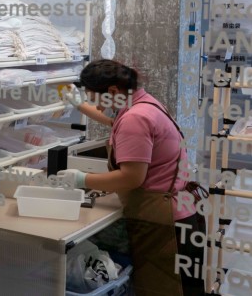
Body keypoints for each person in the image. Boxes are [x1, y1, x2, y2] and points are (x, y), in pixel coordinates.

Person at [57, 59, 205, 296]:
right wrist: (78, 103)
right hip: (182, 213)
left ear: (113, 91)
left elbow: (131, 177)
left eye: (94, 96)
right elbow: (113, 121)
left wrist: (80, 179)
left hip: (166, 221)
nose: (95, 103)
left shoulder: (135, 118)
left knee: (166, 288)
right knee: (186, 288)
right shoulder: (143, 103)